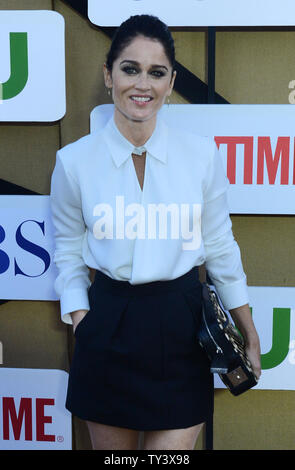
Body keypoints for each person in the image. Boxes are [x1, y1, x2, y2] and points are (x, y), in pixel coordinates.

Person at [50, 14, 261, 451]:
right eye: (130, 68)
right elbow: (68, 248)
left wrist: (250, 333)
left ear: (170, 82)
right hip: (107, 324)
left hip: (183, 327)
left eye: (156, 72)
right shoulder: (74, 162)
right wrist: (80, 319)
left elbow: (220, 245)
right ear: (108, 75)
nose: (141, 84)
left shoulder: (201, 157)